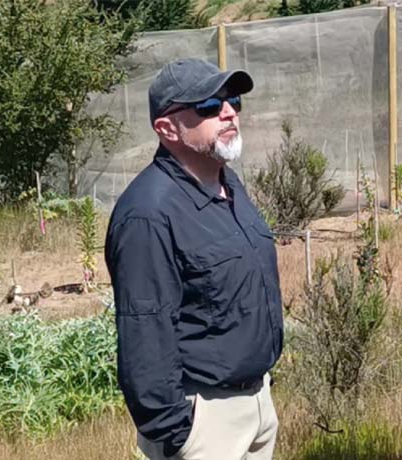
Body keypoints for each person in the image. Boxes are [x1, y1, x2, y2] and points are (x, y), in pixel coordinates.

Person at [105, 58, 283, 460]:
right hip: (204, 422)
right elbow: (144, 331)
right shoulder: (148, 213)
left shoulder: (229, 187)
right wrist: (178, 433)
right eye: (207, 106)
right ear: (167, 129)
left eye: (233, 100)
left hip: (256, 405)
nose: (228, 111)